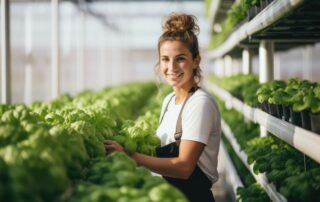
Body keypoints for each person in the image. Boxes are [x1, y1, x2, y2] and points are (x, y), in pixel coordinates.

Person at [104, 12, 221, 202]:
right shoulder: (168, 101)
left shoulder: (200, 104)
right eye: (165, 59)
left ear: (196, 60)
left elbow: (184, 167)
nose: (172, 67)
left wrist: (129, 155)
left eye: (180, 58)